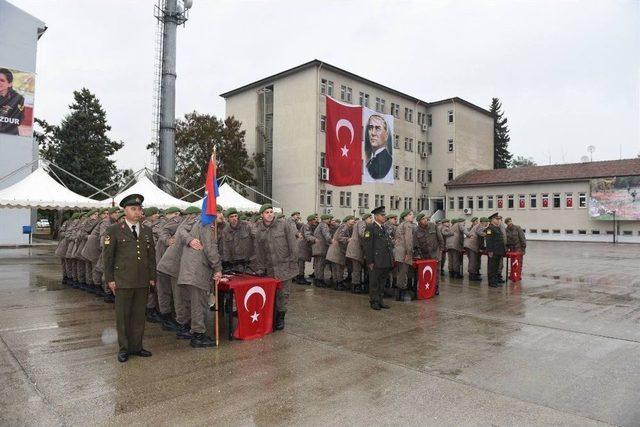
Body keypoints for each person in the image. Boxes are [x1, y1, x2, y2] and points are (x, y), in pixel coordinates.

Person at [102, 194, 156, 363]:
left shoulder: (147, 230)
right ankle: (124, 348)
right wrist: (110, 279)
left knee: (139, 315)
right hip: (123, 280)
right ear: (125, 210)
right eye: (133, 209)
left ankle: (137, 346)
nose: (137, 212)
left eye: (139, 209)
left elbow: (151, 257)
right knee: (123, 316)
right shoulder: (114, 230)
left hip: (142, 280)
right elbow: (108, 257)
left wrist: (152, 277)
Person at [176, 216, 223, 347]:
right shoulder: (207, 225)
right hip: (197, 271)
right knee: (199, 304)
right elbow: (210, 249)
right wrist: (218, 268)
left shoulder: (198, 223)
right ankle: (198, 336)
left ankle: (194, 331)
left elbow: (181, 230)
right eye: (219, 212)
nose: (221, 215)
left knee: (193, 303)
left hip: (189, 270)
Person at [253, 204, 298, 330]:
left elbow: (292, 244)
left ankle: (281, 318)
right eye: (266, 212)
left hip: (285, 266)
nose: (269, 214)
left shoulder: (283, 225)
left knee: (284, 294)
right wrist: (261, 268)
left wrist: (293, 260)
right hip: (270, 268)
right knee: (272, 294)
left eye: (271, 211)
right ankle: (271, 317)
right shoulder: (259, 230)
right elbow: (259, 251)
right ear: (262, 215)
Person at [362, 206, 394, 310]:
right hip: (375, 261)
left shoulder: (383, 228)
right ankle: (374, 302)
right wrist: (370, 261)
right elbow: (367, 245)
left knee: (382, 283)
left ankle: (380, 301)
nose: (384, 217)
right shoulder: (370, 227)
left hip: (385, 260)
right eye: (382, 215)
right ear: (376, 216)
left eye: (385, 215)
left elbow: (387, 244)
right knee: (374, 283)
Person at [413, 213, 444, 294]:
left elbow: (440, 238)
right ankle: (427, 287)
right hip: (424, 256)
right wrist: (419, 256)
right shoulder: (416, 230)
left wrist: (441, 250)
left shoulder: (433, 226)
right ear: (419, 221)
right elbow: (416, 245)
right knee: (426, 272)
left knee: (436, 272)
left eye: (426, 218)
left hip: (435, 253)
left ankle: (436, 288)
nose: (425, 220)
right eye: (423, 219)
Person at [326, 215, 355, 291]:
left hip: (335, 251)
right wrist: (348, 239)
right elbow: (339, 237)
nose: (353, 220)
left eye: (354, 219)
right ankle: (339, 284)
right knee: (339, 268)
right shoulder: (344, 227)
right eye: (352, 219)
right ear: (347, 220)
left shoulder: (347, 227)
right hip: (337, 251)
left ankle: (337, 283)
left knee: (336, 268)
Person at [346, 213, 372, 294]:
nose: (371, 220)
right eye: (370, 218)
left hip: (355, 250)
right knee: (357, 269)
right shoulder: (362, 223)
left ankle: (356, 285)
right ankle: (355, 286)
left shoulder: (360, 223)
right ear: (366, 218)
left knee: (357, 269)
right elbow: (362, 234)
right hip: (356, 250)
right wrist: (371, 234)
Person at [393, 210, 416, 300]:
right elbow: (409, 240)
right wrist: (409, 252)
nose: (412, 216)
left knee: (400, 272)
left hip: (399, 252)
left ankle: (399, 293)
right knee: (403, 272)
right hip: (404, 252)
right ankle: (400, 294)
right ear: (405, 217)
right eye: (410, 215)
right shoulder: (407, 225)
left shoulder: (400, 225)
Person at [364, 114, 393, 180]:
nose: (373, 133)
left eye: (378, 128)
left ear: (386, 136)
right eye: (370, 128)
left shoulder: (387, 160)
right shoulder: (371, 159)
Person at [0, 68, 25, 135]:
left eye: (2, 80)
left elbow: (18, 119)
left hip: (11, 136)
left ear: (10, 84)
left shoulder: (18, 98)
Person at [295, 214, 318, 285]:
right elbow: (307, 235)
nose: (316, 221)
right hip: (302, 247)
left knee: (300, 263)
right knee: (301, 264)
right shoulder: (307, 226)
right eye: (314, 219)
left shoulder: (309, 226)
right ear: (310, 220)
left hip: (303, 247)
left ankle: (299, 277)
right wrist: (315, 239)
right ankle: (300, 278)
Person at [311, 214, 333, 288]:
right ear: (325, 219)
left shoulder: (319, 225)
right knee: (321, 265)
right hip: (321, 248)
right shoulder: (324, 225)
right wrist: (331, 241)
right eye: (329, 219)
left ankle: (317, 279)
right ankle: (320, 280)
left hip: (317, 248)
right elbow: (327, 235)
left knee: (317, 265)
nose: (329, 220)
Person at [485, 213, 506, 288]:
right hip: (493, 251)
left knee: (496, 267)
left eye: (499, 219)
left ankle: (495, 281)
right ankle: (491, 282)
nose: (498, 221)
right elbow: (489, 240)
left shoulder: (497, 228)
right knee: (492, 267)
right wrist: (490, 251)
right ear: (492, 220)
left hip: (498, 251)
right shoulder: (490, 228)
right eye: (497, 219)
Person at [463, 217, 483, 282]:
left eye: (478, 221)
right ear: (473, 222)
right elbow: (480, 236)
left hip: (473, 246)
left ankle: (475, 272)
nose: (477, 222)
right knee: (473, 261)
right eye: (476, 221)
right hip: (472, 246)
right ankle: (472, 275)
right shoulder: (477, 227)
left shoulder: (476, 227)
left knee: (475, 260)